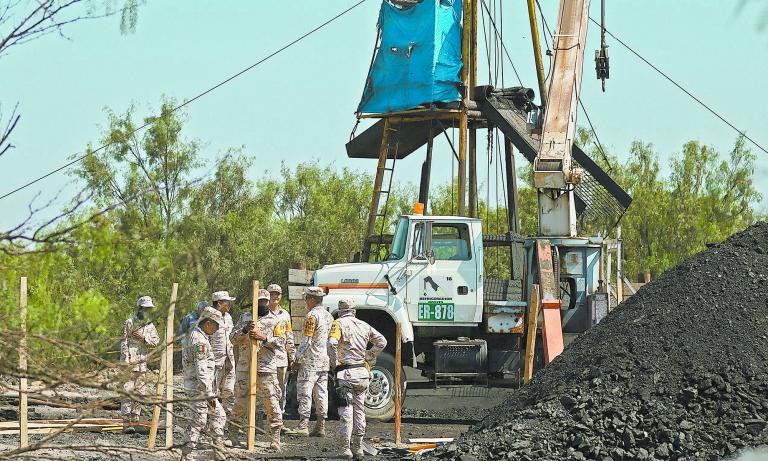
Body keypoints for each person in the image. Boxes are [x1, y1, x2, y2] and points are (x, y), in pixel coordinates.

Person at [328, 298, 387, 460]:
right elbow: (382, 341)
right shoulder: (364, 325)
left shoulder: (338, 324)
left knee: (346, 410)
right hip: (362, 373)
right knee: (360, 409)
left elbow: (332, 342)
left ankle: (345, 448)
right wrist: (370, 354)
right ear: (354, 311)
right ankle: (359, 447)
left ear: (340, 311)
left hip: (345, 374)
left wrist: (334, 363)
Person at [230, 288, 285, 451]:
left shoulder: (275, 320)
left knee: (271, 403)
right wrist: (244, 330)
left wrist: (264, 338)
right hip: (245, 367)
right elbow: (232, 339)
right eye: (259, 301)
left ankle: (275, 438)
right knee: (240, 402)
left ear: (268, 302)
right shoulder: (245, 318)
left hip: (266, 368)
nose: (262, 304)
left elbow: (281, 342)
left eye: (264, 301)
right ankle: (233, 434)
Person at [181, 307, 227, 461]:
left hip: (202, 388)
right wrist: (209, 394)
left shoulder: (198, 336)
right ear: (208, 323)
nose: (217, 329)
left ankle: (218, 451)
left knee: (218, 415)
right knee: (199, 419)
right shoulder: (199, 340)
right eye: (216, 325)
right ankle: (186, 454)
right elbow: (201, 370)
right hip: (199, 389)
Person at [292, 286, 333, 437]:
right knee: (321, 393)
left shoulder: (311, 316)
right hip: (324, 360)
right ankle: (321, 425)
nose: (305, 301)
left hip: (310, 360)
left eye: (306, 298)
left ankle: (303, 424)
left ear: (311, 299)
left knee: (305, 392)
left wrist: (297, 358)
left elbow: (306, 340)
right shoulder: (329, 316)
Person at [120, 295, 160, 433]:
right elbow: (123, 342)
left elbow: (155, 342)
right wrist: (125, 361)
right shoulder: (129, 322)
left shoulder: (150, 325)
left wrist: (144, 338)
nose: (147, 311)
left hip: (142, 363)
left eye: (149, 309)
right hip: (130, 362)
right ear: (140, 308)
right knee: (128, 391)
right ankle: (126, 422)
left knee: (140, 392)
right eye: (145, 308)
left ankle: (135, 420)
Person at [266, 283, 295, 416]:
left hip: (281, 359)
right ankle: (261, 418)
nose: (275, 296)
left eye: (277, 294)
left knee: (281, 389)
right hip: (265, 359)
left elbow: (289, 337)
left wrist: (292, 357)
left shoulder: (285, 315)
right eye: (272, 294)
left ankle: (279, 417)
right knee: (265, 388)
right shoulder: (262, 313)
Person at [210, 291, 236, 422]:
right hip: (214, 362)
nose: (229, 304)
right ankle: (213, 422)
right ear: (219, 303)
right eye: (227, 302)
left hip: (229, 360)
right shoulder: (209, 317)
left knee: (229, 392)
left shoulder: (228, 317)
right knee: (213, 393)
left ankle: (228, 421)